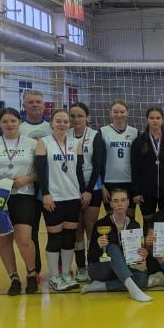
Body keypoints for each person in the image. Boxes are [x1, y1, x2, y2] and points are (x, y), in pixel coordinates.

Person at [0, 108, 39, 295]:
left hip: (24, 194)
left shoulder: (32, 144)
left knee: (24, 239)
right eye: (5, 121)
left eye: (13, 121)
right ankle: (13, 278)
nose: (9, 124)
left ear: (19, 122)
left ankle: (31, 274)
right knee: (4, 241)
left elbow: (41, 170)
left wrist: (26, 179)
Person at [35, 110, 85, 292]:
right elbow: (40, 171)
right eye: (58, 121)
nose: (62, 124)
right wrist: (45, 193)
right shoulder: (44, 143)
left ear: (69, 124)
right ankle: (54, 276)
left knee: (69, 237)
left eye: (65, 121)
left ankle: (65, 273)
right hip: (53, 197)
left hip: (72, 196)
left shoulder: (76, 143)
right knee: (55, 237)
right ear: (52, 123)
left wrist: (82, 191)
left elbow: (78, 171)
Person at [81, 189, 154, 302]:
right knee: (112, 247)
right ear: (111, 204)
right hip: (100, 269)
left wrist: (143, 253)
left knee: (142, 278)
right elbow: (91, 256)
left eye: (123, 200)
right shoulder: (101, 224)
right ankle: (133, 291)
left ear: (128, 202)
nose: (120, 204)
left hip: (121, 269)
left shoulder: (134, 224)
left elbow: (133, 257)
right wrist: (98, 246)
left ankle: (101, 286)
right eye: (116, 201)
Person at [19, 90, 52, 273]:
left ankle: (58, 267)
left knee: (55, 228)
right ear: (24, 105)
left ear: (44, 105)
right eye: (31, 102)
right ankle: (35, 269)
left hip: (50, 185)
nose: (35, 105)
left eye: (38, 101)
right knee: (31, 231)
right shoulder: (19, 128)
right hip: (28, 185)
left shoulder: (52, 127)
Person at [130, 106, 164, 220]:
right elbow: (134, 169)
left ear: (163, 120)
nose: (155, 121)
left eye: (158, 118)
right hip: (146, 191)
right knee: (148, 222)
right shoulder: (139, 142)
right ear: (147, 120)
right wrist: (136, 192)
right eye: (151, 118)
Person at [70, 102, 101, 282]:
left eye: (80, 115)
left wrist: (89, 190)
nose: (76, 119)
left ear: (87, 117)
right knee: (77, 229)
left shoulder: (95, 135)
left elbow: (98, 165)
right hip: (71, 188)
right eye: (73, 116)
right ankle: (81, 266)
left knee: (91, 227)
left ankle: (93, 265)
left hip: (92, 188)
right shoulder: (65, 135)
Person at [93, 100, 139, 219]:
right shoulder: (103, 132)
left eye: (122, 112)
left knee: (129, 217)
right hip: (109, 181)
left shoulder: (134, 132)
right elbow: (97, 161)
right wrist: (101, 185)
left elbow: (138, 161)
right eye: (115, 112)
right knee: (112, 218)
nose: (119, 115)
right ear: (110, 113)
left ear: (127, 113)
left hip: (129, 181)